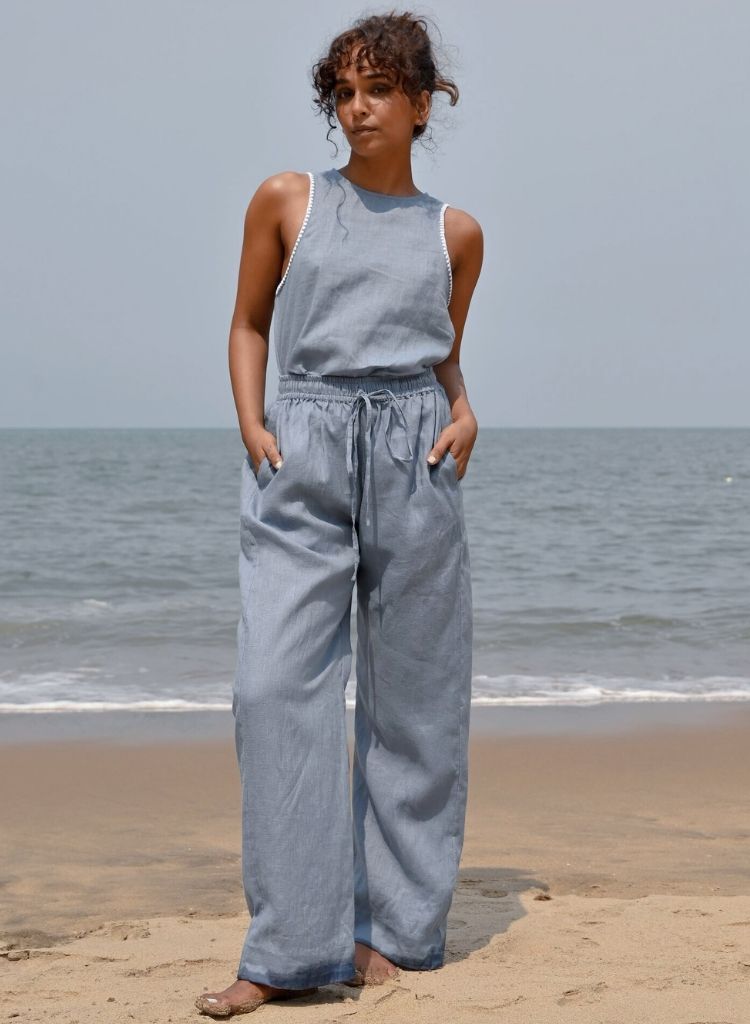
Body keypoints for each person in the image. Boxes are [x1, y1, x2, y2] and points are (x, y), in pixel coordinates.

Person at [195, 10, 483, 1019]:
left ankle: (390, 930)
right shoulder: (289, 199)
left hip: (417, 458)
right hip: (304, 446)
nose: (358, 108)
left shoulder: (455, 233)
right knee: (275, 689)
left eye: (378, 90)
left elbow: (442, 348)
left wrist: (465, 408)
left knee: (415, 704)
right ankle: (287, 947)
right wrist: (252, 423)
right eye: (344, 92)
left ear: (421, 104)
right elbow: (248, 323)